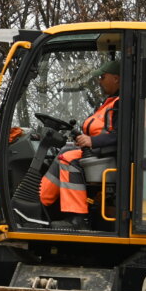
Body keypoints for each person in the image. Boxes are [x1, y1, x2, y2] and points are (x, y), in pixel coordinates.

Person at [39, 59, 120, 229]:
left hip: (109, 154)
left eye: (103, 77)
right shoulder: (111, 102)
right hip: (99, 150)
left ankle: (77, 219)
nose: (99, 81)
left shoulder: (122, 104)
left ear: (116, 78)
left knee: (68, 159)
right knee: (63, 151)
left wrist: (92, 141)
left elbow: (122, 135)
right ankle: (41, 203)